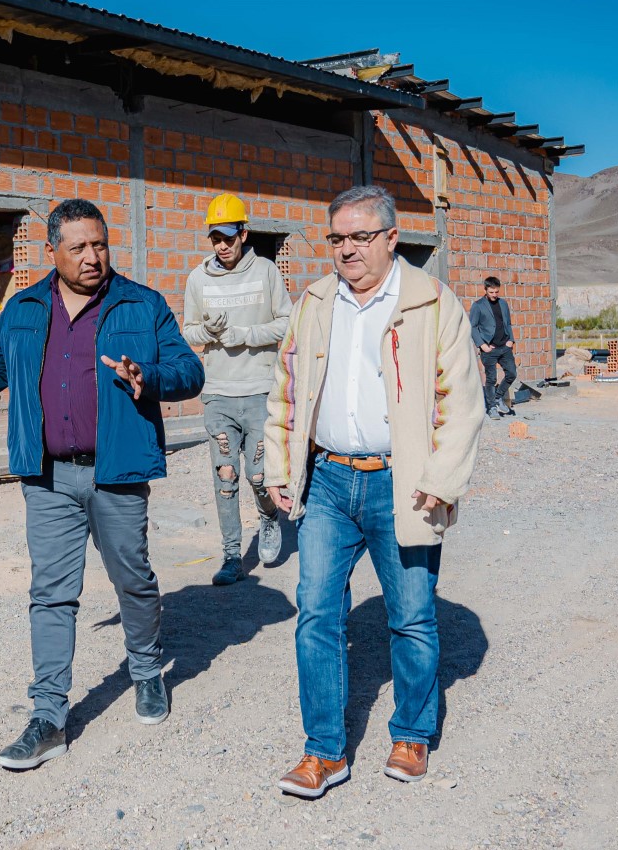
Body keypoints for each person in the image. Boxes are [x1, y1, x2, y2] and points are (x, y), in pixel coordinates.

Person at [0, 199, 204, 772]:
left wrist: (148, 379)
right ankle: (49, 716)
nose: (93, 257)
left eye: (101, 245)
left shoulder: (144, 303)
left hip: (118, 472)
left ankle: (145, 670)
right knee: (51, 594)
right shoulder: (24, 307)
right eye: (79, 247)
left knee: (132, 579)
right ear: (51, 252)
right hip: (49, 477)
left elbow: (191, 372)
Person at [262, 184, 484, 799]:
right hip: (329, 479)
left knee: (411, 615)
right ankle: (323, 751)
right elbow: (285, 389)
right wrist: (280, 469)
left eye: (361, 237)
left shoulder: (431, 303)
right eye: (337, 238)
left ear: (391, 238)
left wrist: (441, 481)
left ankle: (411, 732)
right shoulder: (314, 303)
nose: (347, 250)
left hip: (404, 483)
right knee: (317, 615)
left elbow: (462, 402)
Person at [182, 193, 294, 586]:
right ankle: (231, 556)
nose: (222, 245)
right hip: (218, 393)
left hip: (260, 390)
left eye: (229, 237)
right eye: (215, 238)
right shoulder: (198, 279)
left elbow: (287, 323)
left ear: (244, 234)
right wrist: (209, 332)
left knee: (260, 475)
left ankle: (268, 517)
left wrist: (244, 335)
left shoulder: (265, 272)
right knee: (225, 475)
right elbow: (188, 331)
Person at [469, 275, 517, 418]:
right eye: (491, 292)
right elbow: (472, 327)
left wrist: (511, 340)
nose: (494, 295)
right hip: (489, 349)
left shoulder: (503, 304)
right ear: (486, 290)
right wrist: (482, 345)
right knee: (491, 379)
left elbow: (508, 323)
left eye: (496, 292)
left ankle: (497, 397)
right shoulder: (478, 305)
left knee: (512, 374)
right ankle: (491, 408)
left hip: (505, 346)